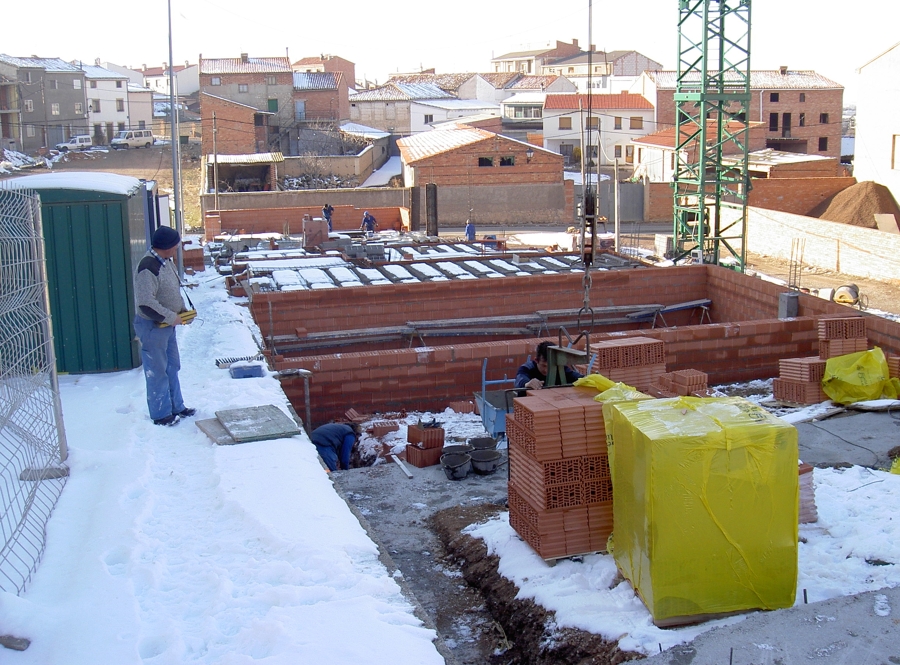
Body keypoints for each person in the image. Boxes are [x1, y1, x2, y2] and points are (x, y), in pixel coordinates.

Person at [133, 226, 196, 426]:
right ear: (167, 246)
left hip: (167, 325)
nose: (178, 247)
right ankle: (161, 414)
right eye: (176, 244)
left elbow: (171, 291)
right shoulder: (148, 268)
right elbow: (145, 303)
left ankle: (177, 406)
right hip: (153, 327)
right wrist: (171, 316)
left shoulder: (165, 261)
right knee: (157, 370)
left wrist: (183, 311)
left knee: (172, 366)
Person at [515, 341, 584, 390]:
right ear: (536, 360)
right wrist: (528, 383)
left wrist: (587, 379)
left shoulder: (560, 369)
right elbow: (520, 380)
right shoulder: (527, 368)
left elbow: (574, 376)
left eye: (550, 367)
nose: (546, 370)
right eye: (544, 366)